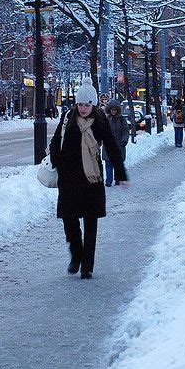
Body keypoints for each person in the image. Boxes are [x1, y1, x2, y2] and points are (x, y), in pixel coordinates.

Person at [49, 77, 128, 280]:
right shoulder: (68, 118)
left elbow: (111, 146)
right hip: (69, 178)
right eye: (80, 104)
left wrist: (120, 172)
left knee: (91, 222)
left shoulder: (100, 120)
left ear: (93, 104)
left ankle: (87, 265)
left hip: (91, 178)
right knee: (70, 220)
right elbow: (56, 142)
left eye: (87, 104)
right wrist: (57, 160)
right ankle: (76, 255)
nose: (83, 108)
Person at [103, 99, 130, 186]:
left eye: (115, 109)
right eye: (112, 109)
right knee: (108, 163)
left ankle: (117, 178)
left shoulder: (122, 120)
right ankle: (108, 180)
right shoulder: (106, 119)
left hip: (119, 144)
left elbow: (125, 131)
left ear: (117, 110)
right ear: (109, 110)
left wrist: (124, 141)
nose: (113, 111)